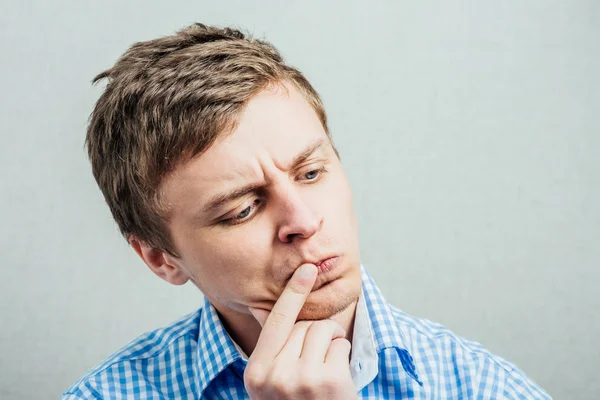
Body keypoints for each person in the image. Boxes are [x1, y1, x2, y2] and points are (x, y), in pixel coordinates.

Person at [61, 23, 550, 399]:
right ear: (160, 258)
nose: (304, 221)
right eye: (242, 209)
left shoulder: (481, 386)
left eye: (311, 173)